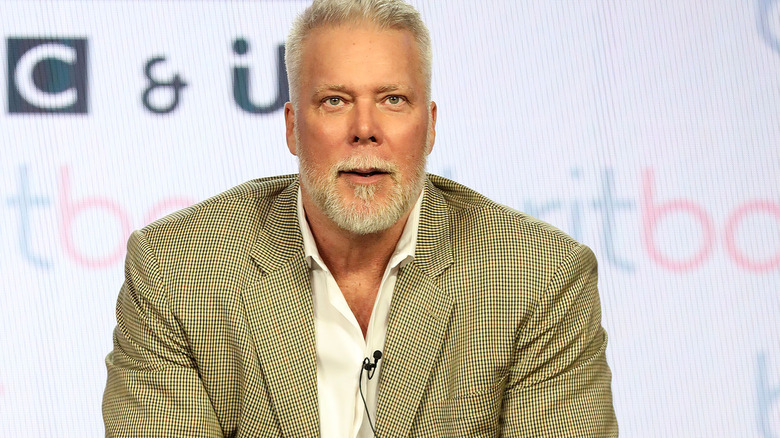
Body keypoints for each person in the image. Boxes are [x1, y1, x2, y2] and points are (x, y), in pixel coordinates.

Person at [102, 0, 618, 436]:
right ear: (292, 128)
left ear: (430, 126)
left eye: (393, 100)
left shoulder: (541, 276)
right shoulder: (176, 270)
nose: (365, 129)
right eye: (335, 101)